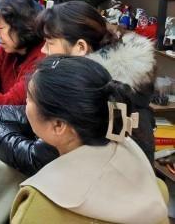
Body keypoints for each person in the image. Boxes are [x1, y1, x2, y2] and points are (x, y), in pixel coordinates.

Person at [0, 0, 156, 174]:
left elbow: (36, 159)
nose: (43, 50)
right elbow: (41, 114)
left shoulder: (89, 93)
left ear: (80, 47)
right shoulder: (87, 79)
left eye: (50, 43)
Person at [9, 56, 168, 224]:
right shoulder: (152, 185)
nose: (25, 103)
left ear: (58, 125)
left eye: (29, 99)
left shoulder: (40, 207)